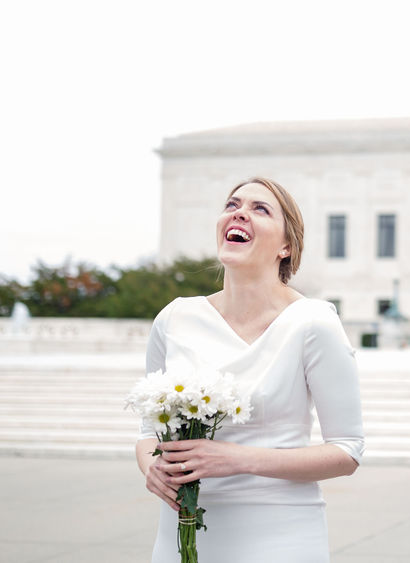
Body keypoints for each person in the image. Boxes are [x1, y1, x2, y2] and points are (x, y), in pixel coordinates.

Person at [135, 176, 364, 563]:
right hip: (179, 535)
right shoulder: (174, 318)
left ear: (286, 246)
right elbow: (146, 434)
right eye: (232, 204)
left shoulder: (312, 322)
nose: (239, 212)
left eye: (260, 209)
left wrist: (236, 459)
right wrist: (152, 468)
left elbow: (348, 450)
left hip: (280, 535)